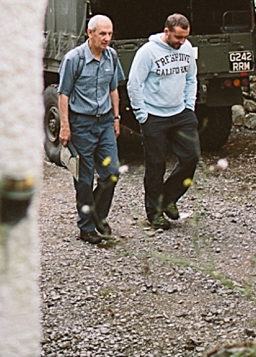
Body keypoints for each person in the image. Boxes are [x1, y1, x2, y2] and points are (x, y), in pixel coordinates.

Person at [126, 13, 200, 231]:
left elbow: (191, 78)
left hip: (180, 113)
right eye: (178, 37)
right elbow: (134, 83)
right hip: (154, 116)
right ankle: (155, 213)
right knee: (156, 165)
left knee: (191, 156)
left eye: (185, 37)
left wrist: (189, 106)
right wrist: (142, 115)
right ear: (166, 32)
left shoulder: (186, 49)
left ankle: (168, 198)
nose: (182, 42)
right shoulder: (147, 52)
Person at [58, 14, 124, 244]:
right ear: (90, 33)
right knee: (84, 179)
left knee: (112, 174)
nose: (107, 39)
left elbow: (113, 89)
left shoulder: (112, 57)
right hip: (81, 124)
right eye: (102, 34)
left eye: (110, 34)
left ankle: (98, 215)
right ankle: (86, 227)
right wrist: (65, 126)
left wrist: (116, 117)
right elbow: (63, 94)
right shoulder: (73, 59)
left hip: (104, 121)